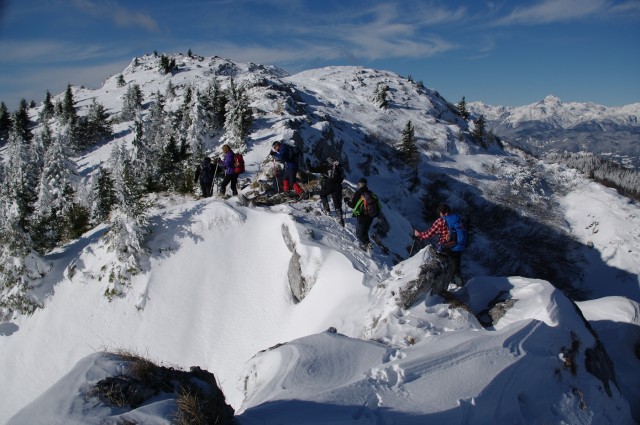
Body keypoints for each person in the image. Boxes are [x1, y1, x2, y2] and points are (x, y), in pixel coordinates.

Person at [413, 203, 464, 285]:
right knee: (456, 269)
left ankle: (440, 289)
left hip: (446, 247)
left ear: (442, 212)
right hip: (458, 247)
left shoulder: (440, 221)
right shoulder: (457, 218)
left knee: (440, 268)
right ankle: (460, 286)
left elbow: (429, 234)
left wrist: (419, 235)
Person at [306, 157, 345, 226]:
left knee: (322, 194)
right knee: (336, 202)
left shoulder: (325, 167)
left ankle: (326, 209)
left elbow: (311, 169)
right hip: (338, 186)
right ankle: (340, 218)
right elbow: (342, 177)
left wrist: (308, 163)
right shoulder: (339, 168)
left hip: (329, 185)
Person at [345, 178, 379, 250]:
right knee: (365, 232)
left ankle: (367, 245)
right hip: (371, 216)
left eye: (358, 184)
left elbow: (353, 205)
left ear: (360, 184)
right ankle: (368, 247)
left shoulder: (359, 193)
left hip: (362, 216)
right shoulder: (370, 193)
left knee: (359, 234)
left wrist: (347, 201)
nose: (357, 185)